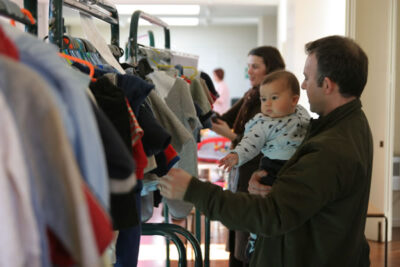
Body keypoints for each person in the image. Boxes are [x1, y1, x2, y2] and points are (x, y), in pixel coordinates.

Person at [158, 35, 373, 267]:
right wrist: (274, 186)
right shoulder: (347, 123)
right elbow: (307, 196)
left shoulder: (332, 147)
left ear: (328, 85)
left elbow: (272, 215)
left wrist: (194, 190)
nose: (303, 85)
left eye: (307, 77)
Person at [218, 70, 310, 259]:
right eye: (263, 99)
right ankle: (254, 238)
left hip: (297, 166)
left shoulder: (301, 114)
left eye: (274, 98)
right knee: (264, 206)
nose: (267, 104)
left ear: (294, 100)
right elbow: (250, 143)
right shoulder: (263, 123)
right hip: (273, 166)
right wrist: (236, 155)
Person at [211, 46, 285, 266]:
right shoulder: (250, 96)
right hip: (240, 175)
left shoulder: (273, 101)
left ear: (270, 69)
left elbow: (259, 143)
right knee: (238, 243)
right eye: (248, 66)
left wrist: (231, 135)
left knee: (248, 247)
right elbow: (221, 119)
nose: (249, 71)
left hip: (256, 178)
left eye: (255, 66)